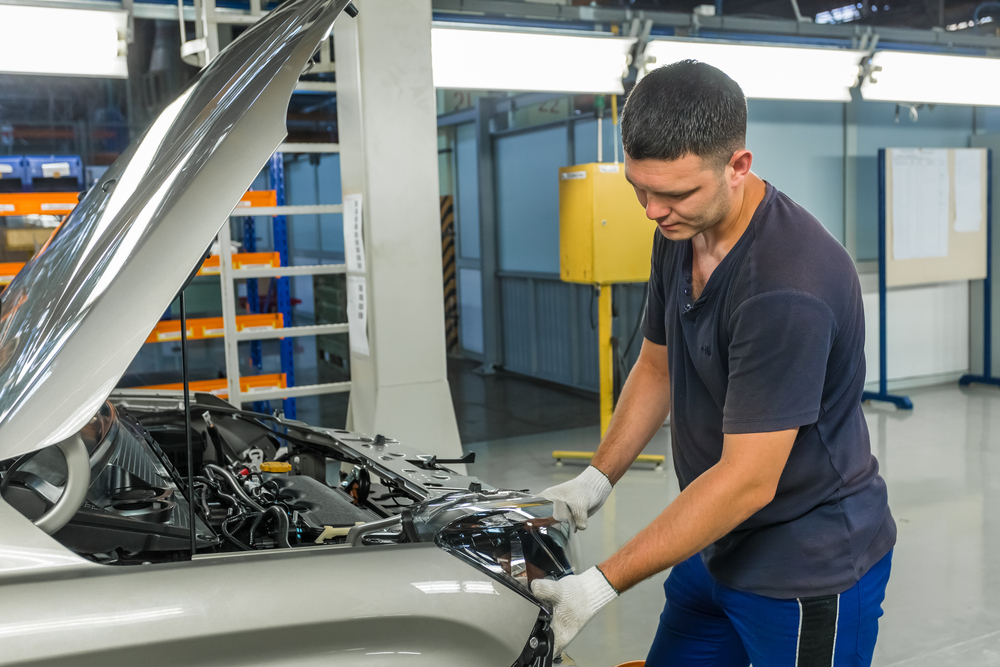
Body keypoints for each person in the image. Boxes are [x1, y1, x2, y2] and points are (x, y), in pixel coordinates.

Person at [530, 60, 896, 667]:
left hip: (804, 565)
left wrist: (596, 586)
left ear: (738, 167)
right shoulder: (677, 228)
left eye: (672, 193)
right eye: (639, 188)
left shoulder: (786, 286)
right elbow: (657, 364)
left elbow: (746, 480)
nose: (651, 210)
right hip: (714, 544)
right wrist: (594, 481)